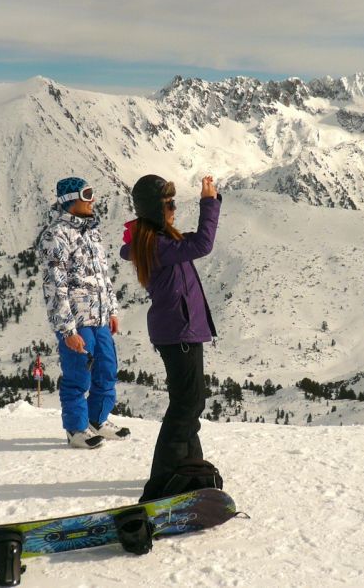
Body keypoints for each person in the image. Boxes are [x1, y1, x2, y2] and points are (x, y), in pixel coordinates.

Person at [120, 174, 220, 498]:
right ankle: (162, 481)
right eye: (169, 204)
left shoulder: (158, 241)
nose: (175, 209)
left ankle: (190, 469)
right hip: (179, 331)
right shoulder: (158, 246)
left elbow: (191, 244)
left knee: (191, 403)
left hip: (180, 330)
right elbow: (203, 244)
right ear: (154, 209)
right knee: (185, 406)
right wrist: (209, 202)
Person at [39, 176, 130, 449]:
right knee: (78, 376)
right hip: (77, 321)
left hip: (100, 317)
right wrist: (67, 330)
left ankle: (97, 420)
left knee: (107, 370)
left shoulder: (92, 232)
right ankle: (76, 430)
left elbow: (103, 276)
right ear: (70, 199)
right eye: (87, 194)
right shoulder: (55, 235)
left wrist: (111, 310)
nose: (93, 199)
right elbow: (55, 285)